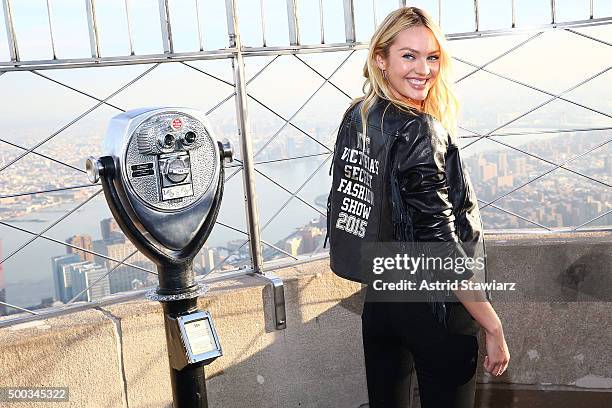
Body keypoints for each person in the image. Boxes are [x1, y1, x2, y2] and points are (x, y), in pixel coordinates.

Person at [325, 7, 510, 408]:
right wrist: (492, 325)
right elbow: (442, 245)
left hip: (383, 301)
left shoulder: (357, 116)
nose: (423, 69)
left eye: (432, 57)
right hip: (436, 309)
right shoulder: (418, 128)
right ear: (381, 59)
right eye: (408, 55)